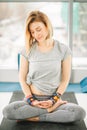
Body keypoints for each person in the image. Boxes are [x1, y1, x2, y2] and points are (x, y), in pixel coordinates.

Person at [3, 10, 86, 123]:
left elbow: (65, 79)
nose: (36, 34)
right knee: (8, 111)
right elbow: (22, 79)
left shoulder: (63, 49)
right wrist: (32, 101)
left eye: (38, 29)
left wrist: (53, 101)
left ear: (47, 26)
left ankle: (36, 117)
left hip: (54, 101)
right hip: (32, 101)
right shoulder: (27, 50)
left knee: (79, 113)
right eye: (32, 32)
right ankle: (49, 112)